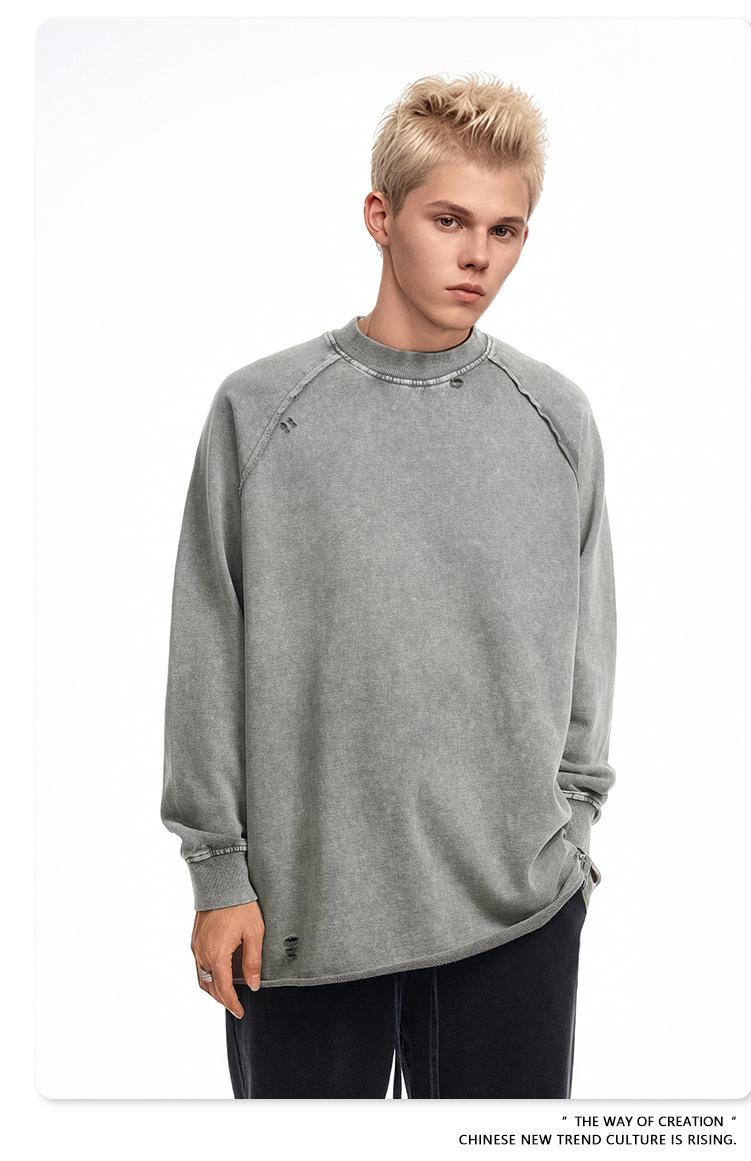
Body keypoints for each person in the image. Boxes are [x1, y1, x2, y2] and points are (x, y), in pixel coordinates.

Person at [160, 71, 617, 1099]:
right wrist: (217, 871)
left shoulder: (555, 417)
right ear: (380, 216)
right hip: (303, 910)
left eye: (505, 230)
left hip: (518, 912)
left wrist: (574, 837)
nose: (477, 256)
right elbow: (208, 648)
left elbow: (588, 649)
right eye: (448, 220)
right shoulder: (261, 411)